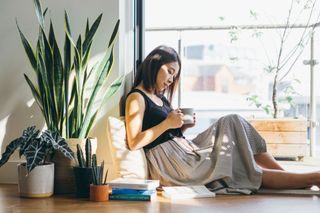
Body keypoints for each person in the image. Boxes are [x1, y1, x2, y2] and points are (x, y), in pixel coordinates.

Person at [125, 45, 320, 193]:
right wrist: (168, 123)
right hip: (174, 164)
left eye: (174, 75)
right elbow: (134, 142)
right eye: (170, 71)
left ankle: (289, 176)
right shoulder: (137, 97)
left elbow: (166, 133)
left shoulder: (159, 97)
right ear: (154, 63)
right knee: (240, 166)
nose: (171, 79)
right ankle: (310, 179)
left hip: (185, 150)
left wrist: (182, 127)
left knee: (233, 121)